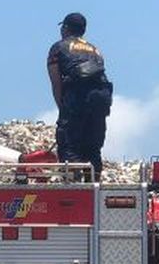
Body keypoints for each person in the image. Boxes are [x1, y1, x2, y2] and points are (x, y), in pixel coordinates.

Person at [47, 12, 113, 178]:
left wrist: (63, 110)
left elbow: (56, 83)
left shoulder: (58, 47)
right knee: (93, 145)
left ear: (66, 28)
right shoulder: (95, 50)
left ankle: (73, 185)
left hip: (78, 96)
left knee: (69, 145)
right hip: (101, 98)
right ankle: (94, 183)